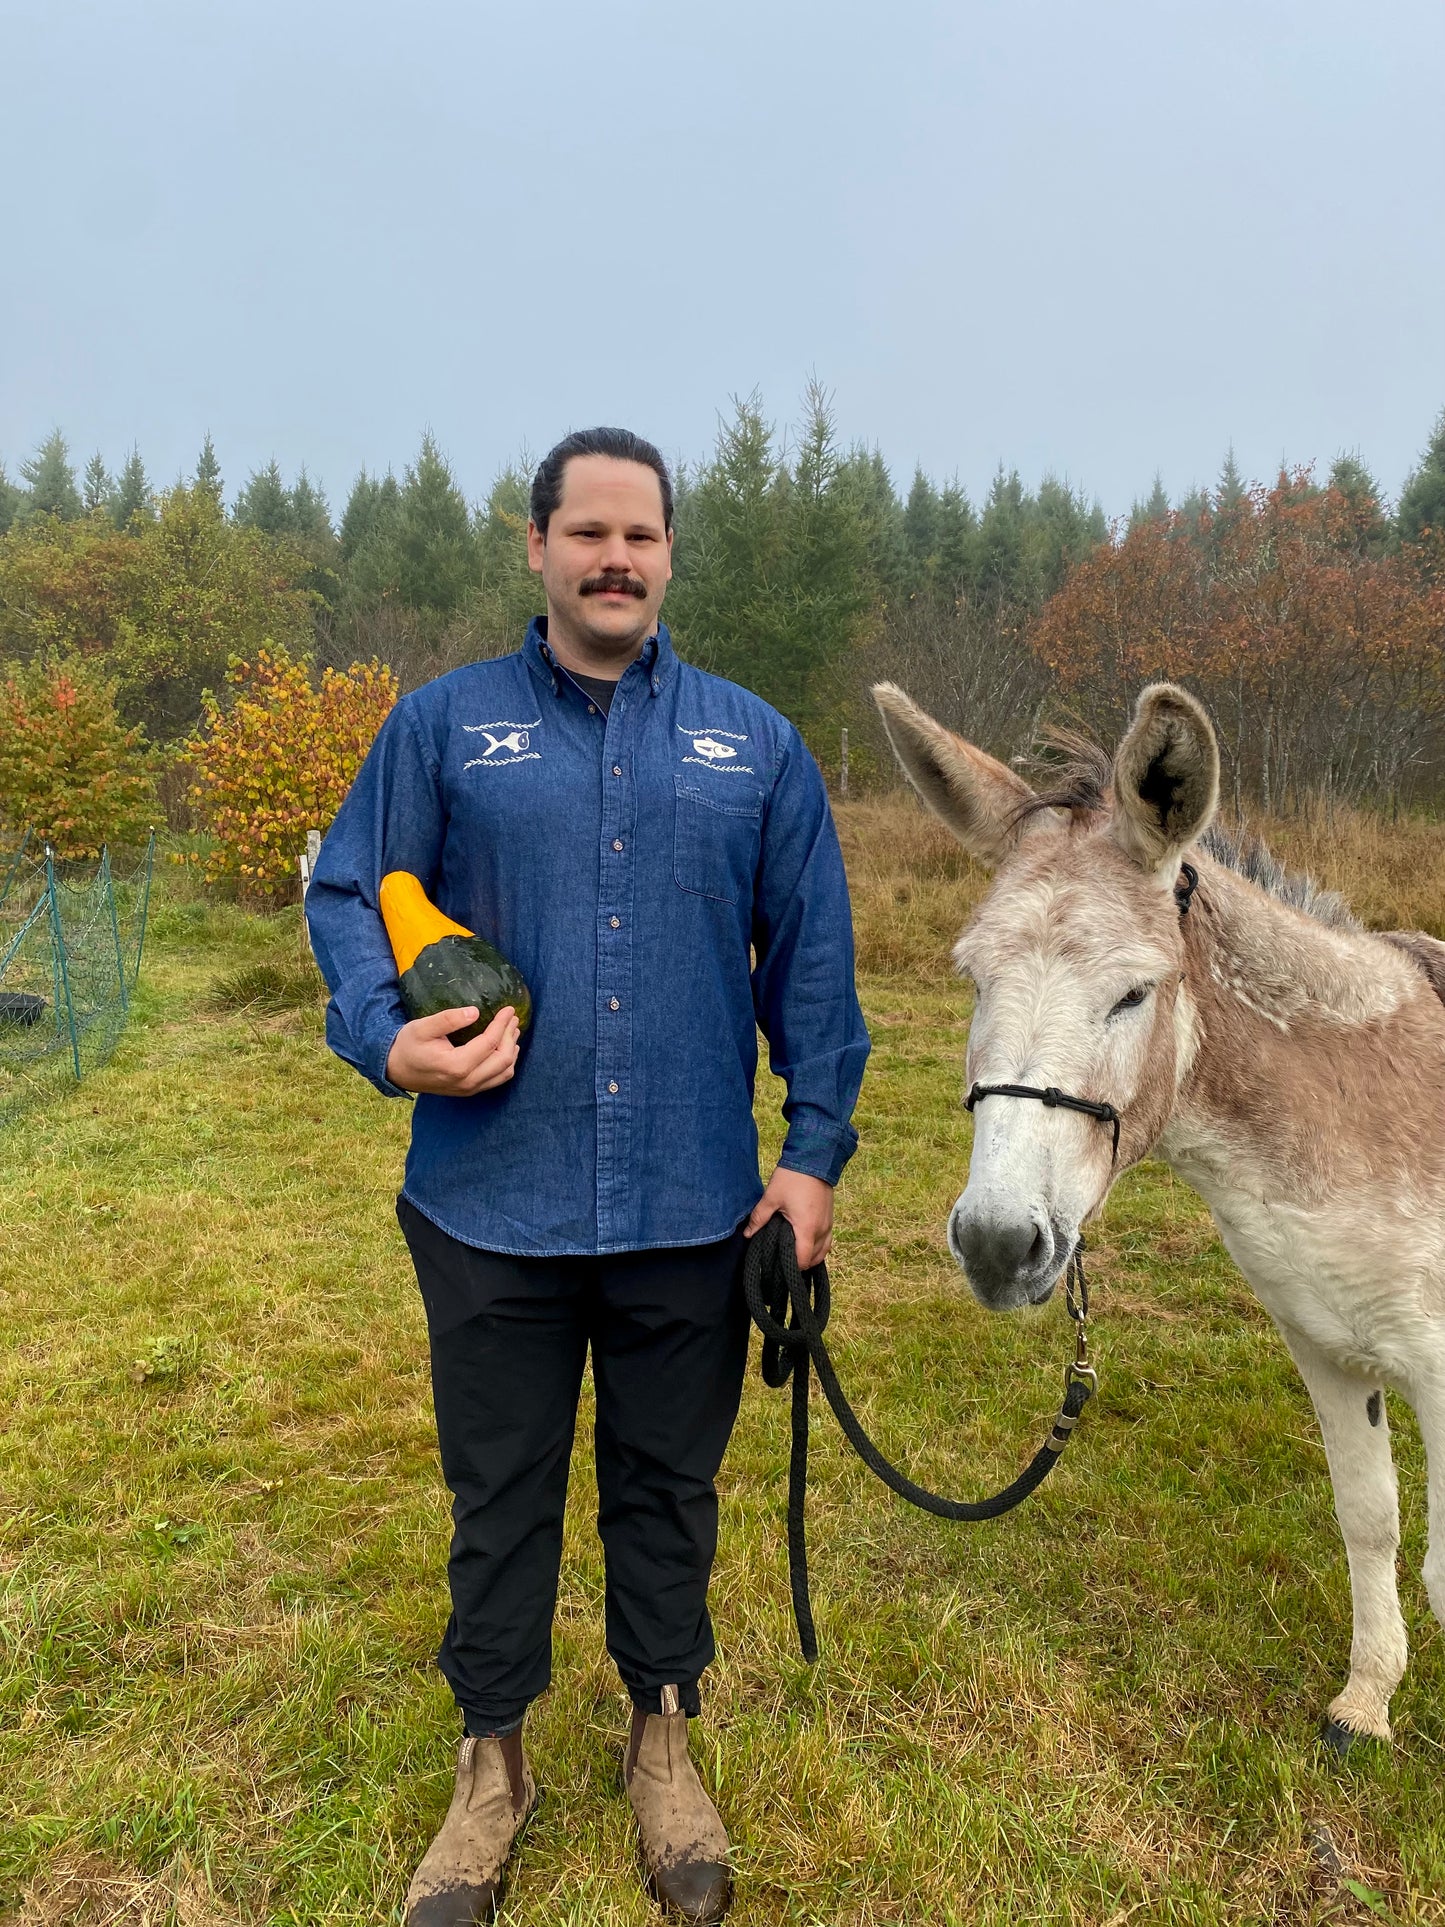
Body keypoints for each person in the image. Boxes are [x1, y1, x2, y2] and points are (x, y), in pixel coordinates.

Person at [305, 426, 869, 1926]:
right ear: (537, 546)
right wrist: (385, 1040)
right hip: (489, 1202)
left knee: (665, 1490)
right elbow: (349, 887)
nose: (616, 559)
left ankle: (661, 1735)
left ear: (669, 555)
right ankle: (491, 1764)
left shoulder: (752, 744)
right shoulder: (440, 727)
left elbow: (812, 957)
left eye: (642, 536)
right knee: (498, 1496)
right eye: (588, 533)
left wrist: (811, 1159)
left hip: (693, 1204)